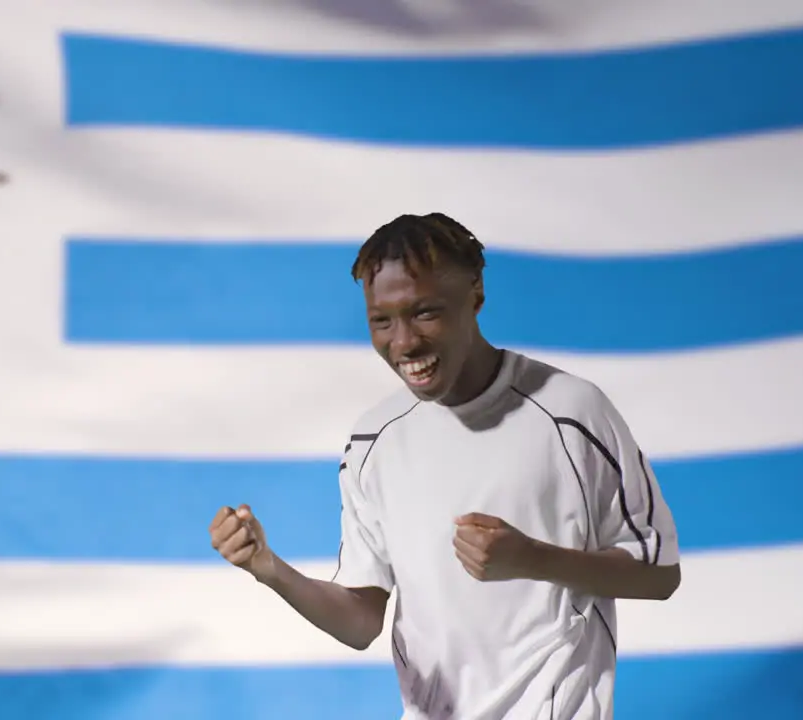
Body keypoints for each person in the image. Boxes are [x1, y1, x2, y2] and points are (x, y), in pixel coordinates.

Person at [208, 213, 682, 719]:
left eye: (425, 312)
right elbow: (361, 621)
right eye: (381, 321)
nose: (404, 342)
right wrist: (269, 569)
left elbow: (659, 573)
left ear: (476, 293)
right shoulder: (374, 441)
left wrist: (531, 558)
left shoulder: (572, 413)